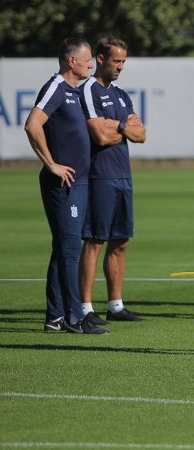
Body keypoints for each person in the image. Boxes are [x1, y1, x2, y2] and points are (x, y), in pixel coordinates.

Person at [24, 37, 107, 334]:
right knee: (70, 249)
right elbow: (33, 124)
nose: (91, 64)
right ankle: (73, 318)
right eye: (87, 59)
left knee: (64, 248)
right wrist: (51, 164)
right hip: (64, 184)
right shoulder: (56, 87)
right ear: (71, 61)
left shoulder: (74, 91)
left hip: (79, 183)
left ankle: (56, 316)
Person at [79, 37, 147, 325]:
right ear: (101, 59)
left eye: (123, 62)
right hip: (100, 175)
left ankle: (115, 305)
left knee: (120, 242)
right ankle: (84, 308)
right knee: (95, 240)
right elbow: (100, 135)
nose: (120, 66)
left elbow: (142, 134)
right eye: (116, 61)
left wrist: (117, 127)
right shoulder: (88, 90)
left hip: (123, 174)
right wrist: (122, 126)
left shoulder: (121, 94)